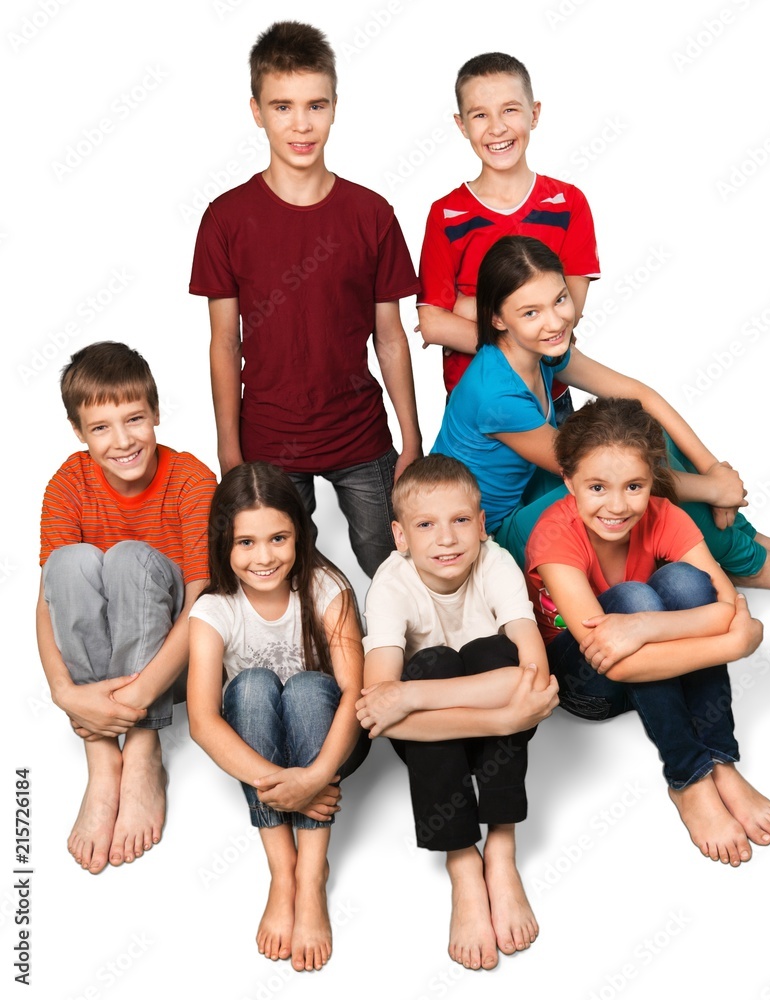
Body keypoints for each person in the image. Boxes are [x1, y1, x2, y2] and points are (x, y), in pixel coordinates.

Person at [432, 235, 770, 592]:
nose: (554, 321)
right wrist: (711, 489)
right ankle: (748, 562)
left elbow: (641, 396)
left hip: (527, 488)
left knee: (642, 432)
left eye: (559, 300)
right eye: (531, 312)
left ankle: (742, 536)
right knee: (627, 470)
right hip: (496, 533)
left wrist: (714, 470)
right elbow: (596, 475)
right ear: (499, 319)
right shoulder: (495, 395)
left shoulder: (538, 348)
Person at [189, 20, 422, 578]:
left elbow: (389, 337)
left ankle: (416, 662)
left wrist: (410, 435)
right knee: (286, 579)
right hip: (268, 438)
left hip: (361, 433)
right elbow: (225, 342)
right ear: (256, 110)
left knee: (395, 563)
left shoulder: (371, 214)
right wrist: (228, 448)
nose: (301, 124)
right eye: (283, 106)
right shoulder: (226, 217)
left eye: (315, 105)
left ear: (335, 107)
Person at [524, 396, 770, 865]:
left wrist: (646, 627)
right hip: (590, 685)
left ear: (651, 483)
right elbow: (613, 653)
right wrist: (734, 644)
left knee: (681, 582)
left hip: (653, 664)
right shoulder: (553, 533)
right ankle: (689, 779)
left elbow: (726, 604)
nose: (617, 506)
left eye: (634, 486)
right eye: (597, 487)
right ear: (569, 482)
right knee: (630, 598)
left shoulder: (664, 515)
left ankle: (720, 760)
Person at [356, 455, 558, 971]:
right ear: (400, 537)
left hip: (468, 717)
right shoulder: (390, 585)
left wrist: (411, 696)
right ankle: (463, 862)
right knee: (431, 662)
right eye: (426, 525)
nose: (446, 539)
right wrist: (496, 718)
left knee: (493, 651)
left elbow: (531, 677)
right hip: (440, 739)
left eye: (460, 521)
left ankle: (502, 848)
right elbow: (379, 712)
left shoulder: (495, 563)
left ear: (482, 525)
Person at [36, 342, 217, 874]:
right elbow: (46, 603)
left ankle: (141, 750)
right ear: (78, 432)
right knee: (66, 563)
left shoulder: (190, 479)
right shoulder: (68, 483)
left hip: (173, 665)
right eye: (101, 428)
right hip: (97, 677)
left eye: (135, 419)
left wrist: (137, 698)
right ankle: (100, 754)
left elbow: (202, 602)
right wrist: (65, 694)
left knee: (130, 558)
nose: (123, 441)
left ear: (156, 413)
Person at [188, 462, 368, 972]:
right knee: (248, 686)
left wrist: (314, 777)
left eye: (278, 539)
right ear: (224, 544)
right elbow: (202, 721)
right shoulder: (213, 610)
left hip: (333, 741)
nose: (263, 557)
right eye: (246, 542)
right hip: (260, 752)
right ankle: (282, 870)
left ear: (299, 534)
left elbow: (355, 691)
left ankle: (311, 875)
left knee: (311, 687)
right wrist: (284, 784)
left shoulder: (327, 587)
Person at [417, 51, 600, 421]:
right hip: (475, 399)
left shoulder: (568, 203)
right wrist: (533, 331)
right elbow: (434, 324)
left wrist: (469, 305)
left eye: (510, 110)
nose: (496, 128)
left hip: (551, 394)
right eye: (480, 114)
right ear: (461, 124)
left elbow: (569, 313)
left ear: (534, 114)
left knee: (562, 479)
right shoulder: (446, 214)